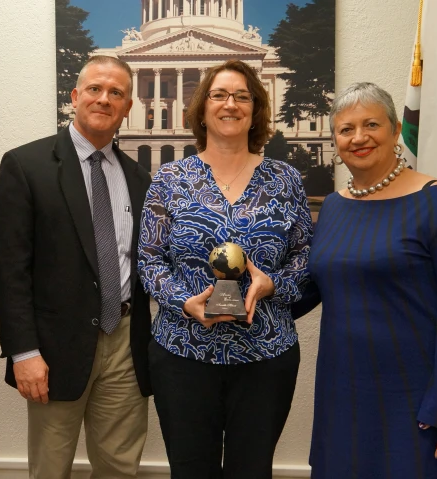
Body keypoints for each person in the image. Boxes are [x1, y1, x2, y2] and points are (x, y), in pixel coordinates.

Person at [306, 82, 437, 478]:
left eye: (371, 124)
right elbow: (317, 286)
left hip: (418, 399)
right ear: (336, 139)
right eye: (345, 129)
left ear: (394, 131)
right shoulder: (335, 207)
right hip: (343, 395)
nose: (359, 137)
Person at [138, 59, 313, 478]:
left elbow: (305, 254)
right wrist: (184, 302)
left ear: (255, 110)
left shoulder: (284, 179)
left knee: (251, 470)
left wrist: (273, 285)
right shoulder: (169, 178)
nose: (230, 104)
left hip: (265, 355)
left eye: (241, 96)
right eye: (219, 95)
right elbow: (149, 258)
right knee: (190, 470)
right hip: (183, 353)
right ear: (202, 108)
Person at [0, 56, 152, 479]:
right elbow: (9, 270)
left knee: (120, 467)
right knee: (50, 468)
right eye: (95, 89)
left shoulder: (140, 178)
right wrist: (24, 351)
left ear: (127, 107)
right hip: (54, 349)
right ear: (75, 97)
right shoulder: (26, 166)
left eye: (116, 92)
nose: (104, 98)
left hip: (126, 345)